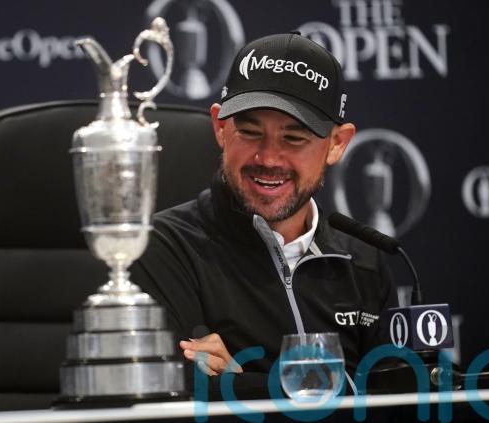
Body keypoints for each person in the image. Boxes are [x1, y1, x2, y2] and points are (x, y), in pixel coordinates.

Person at [131, 31, 397, 396]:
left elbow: (396, 400)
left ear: (337, 144)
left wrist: (239, 384)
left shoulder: (364, 260)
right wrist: (341, 391)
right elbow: (180, 396)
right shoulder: (164, 247)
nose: (269, 158)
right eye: (249, 131)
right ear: (220, 128)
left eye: (294, 138)